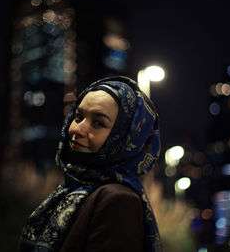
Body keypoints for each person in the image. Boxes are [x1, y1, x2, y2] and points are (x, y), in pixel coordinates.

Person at [18, 76, 162, 252]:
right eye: (78, 117)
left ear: (125, 138)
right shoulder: (75, 188)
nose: (78, 129)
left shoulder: (119, 202)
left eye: (98, 123)